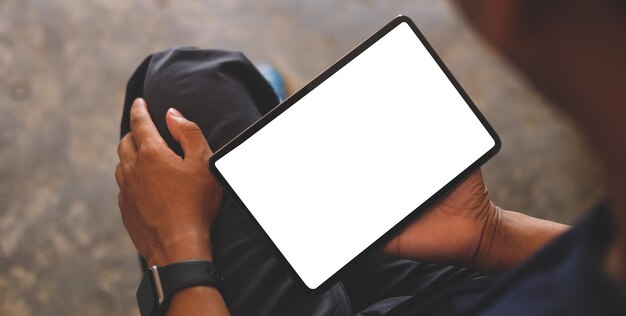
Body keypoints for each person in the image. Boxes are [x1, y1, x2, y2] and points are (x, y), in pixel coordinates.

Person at [114, 0, 626, 314]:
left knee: (178, 88)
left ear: (509, 12)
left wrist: (178, 253)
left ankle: (260, 105)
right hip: (471, 292)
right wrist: (491, 236)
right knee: (199, 87)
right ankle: (260, 110)